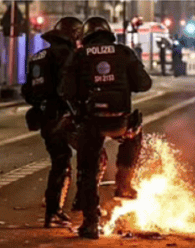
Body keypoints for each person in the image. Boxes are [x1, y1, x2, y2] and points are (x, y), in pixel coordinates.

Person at [60, 17, 153, 239]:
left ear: (86, 36)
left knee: (88, 170)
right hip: (120, 121)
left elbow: (66, 91)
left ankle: (90, 224)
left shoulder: (80, 55)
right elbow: (144, 84)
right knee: (134, 131)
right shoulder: (124, 52)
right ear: (109, 33)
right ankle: (123, 183)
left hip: (91, 123)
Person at [22, 17, 82, 227]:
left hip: (44, 116)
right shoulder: (67, 55)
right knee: (89, 156)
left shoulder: (38, 56)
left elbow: (27, 91)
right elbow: (68, 86)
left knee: (59, 160)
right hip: (62, 115)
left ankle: (54, 211)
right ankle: (76, 206)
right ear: (74, 34)